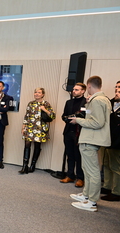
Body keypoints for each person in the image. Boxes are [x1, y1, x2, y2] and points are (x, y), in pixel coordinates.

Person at [69, 76, 111, 212]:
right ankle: (86, 195)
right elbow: (93, 116)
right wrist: (87, 105)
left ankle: (92, 202)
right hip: (91, 138)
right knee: (87, 169)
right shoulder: (101, 99)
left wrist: (78, 121)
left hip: (91, 139)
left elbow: (97, 122)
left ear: (89, 86)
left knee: (92, 172)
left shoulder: (97, 100)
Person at [19, 87, 55, 174]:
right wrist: (23, 126)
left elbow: (52, 116)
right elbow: (26, 115)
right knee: (27, 145)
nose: (36, 94)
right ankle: (24, 166)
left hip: (40, 129)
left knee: (37, 146)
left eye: (39, 92)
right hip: (30, 127)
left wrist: (44, 110)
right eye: (35, 92)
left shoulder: (46, 104)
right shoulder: (30, 103)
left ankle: (32, 165)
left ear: (43, 94)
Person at [60, 83, 86, 187]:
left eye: (76, 90)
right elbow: (63, 116)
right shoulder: (69, 102)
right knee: (69, 154)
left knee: (79, 156)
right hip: (68, 131)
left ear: (83, 91)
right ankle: (70, 175)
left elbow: (87, 116)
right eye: (73, 89)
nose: (74, 91)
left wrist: (77, 120)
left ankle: (80, 178)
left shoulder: (86, 102)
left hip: (79, 132)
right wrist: (67, 119)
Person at [101, 81, 120, 201]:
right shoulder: (110, 103)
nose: (117, 90)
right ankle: (107, 186)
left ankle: (117, 191)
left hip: (118, 142)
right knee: (106, 164)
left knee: (116, 167)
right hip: (107, 139)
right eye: (116, 87)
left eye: (119, 88)